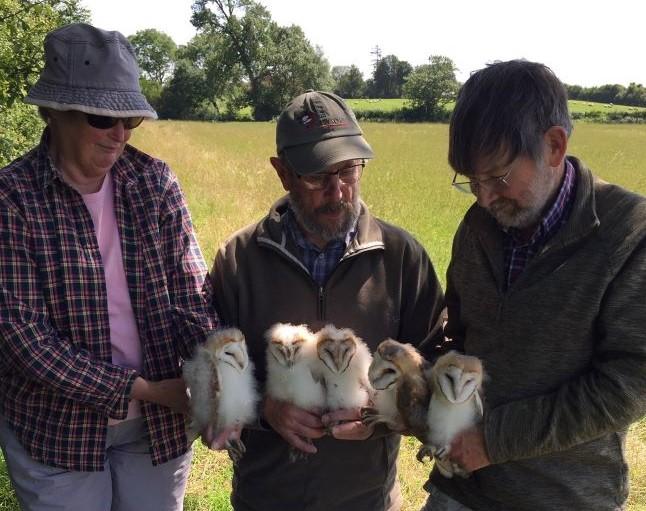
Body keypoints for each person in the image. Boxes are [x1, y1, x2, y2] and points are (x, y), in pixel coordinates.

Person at [0, 23, 217, 510]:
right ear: (53, 112)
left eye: (131, 120)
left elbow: (190, 294)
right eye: (102, 117)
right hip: (56, 430)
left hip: (156, 431)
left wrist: (212, 371)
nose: (119, 134)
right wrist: (144, 390)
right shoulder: (11, 197)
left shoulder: (154, 182)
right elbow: (22, 337)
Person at [422, 59, 646, 511]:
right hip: (461, 488)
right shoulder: (478, 227)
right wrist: (407, 393)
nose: (484, 197)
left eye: (498, 177)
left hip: (566, 497)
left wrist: (494, 439)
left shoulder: (628, 234)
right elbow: (460, 336)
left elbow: (630, 382)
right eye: (472, 181)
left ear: (554, 146)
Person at [210, 89, 445, 511]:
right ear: (283, 173)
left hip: (367, 500)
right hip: (266, 499)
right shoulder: (239, 259)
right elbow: (211, 378)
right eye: (317, 177)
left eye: (349, 171)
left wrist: (381, 414)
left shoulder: (401, 257)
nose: (338, 193)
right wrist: (266, 408)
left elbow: (434, 374)